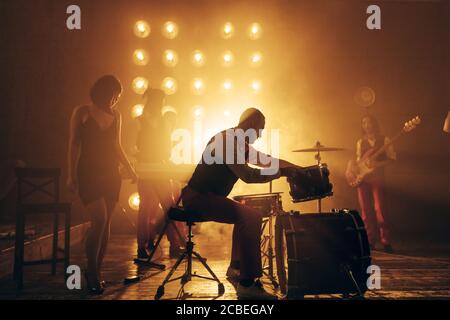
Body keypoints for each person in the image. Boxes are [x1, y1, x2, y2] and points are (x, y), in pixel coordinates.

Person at [181, 108, 299, 299]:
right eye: (260, 129)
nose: (260, 135)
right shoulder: (227, 141)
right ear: (250, 125)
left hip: (207, 198)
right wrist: (283, 173)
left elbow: (268, 161)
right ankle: (247, 284)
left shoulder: (237, 142)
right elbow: (248, 176)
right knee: (251, 216)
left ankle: (236, 268)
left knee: (245, 216)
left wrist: (297, 169)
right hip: (198, 199)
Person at [67, 75, 137, 294]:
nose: (115, 99)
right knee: (99, 219)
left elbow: (117, 145)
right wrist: (71, 174)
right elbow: (73, 144)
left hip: (110, 174)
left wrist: (129, 167)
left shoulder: (116, 115)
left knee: (106, 224)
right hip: (88, 172)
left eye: (118, 96)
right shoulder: (82, 111)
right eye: (113, 94)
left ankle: (96, 270)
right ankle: (91, 270)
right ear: (103, 91)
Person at [135, 89, 186, 261]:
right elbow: (134, 145)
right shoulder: (140, 121)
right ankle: (142, 245)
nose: (160, 105)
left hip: (161, 166)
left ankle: (175, 244)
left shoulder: (164, 121)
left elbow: (167, 145)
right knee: (146, 207)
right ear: (151, 102)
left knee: (169, 205)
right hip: (146, 166)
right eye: (158, 101)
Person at [356, 115, 396, 253]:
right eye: (364, 122)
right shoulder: (360, 142)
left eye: (369, 122)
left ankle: (386, 241)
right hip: (363, 179)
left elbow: (392, 158)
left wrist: (377, 164)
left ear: (375, 124)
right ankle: (369, 240)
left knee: (380, 209)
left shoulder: (385, 140)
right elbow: (359, 161)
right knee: (365, 211)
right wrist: (355, 173)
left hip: (378, 177)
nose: (367, 125)